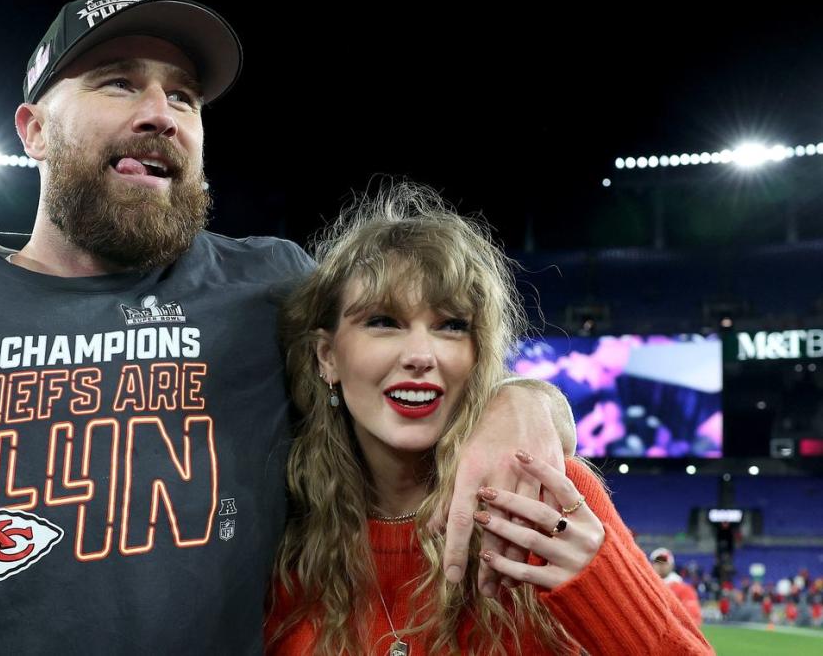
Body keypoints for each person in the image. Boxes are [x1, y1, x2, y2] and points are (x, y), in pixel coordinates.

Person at [0, 0, 573, 653]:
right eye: (117, 81)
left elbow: (420, 351)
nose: (162, 111)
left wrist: (523, 401)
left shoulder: (272, 287)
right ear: (31, 129)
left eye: (184, 95)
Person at [267, 186, 712, 655]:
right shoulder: (281, 521)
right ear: (327, 356)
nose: (421, 355)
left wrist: (601, 587)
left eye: (452, 326)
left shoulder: (542, 491)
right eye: (383, 321)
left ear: (479, 356)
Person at [650, 547, 704, 626]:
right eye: (657, 562)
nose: (661, 565)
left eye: (664, 562)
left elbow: (693, 618)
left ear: (671, 565)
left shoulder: (683, 588)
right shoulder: (646, 585)